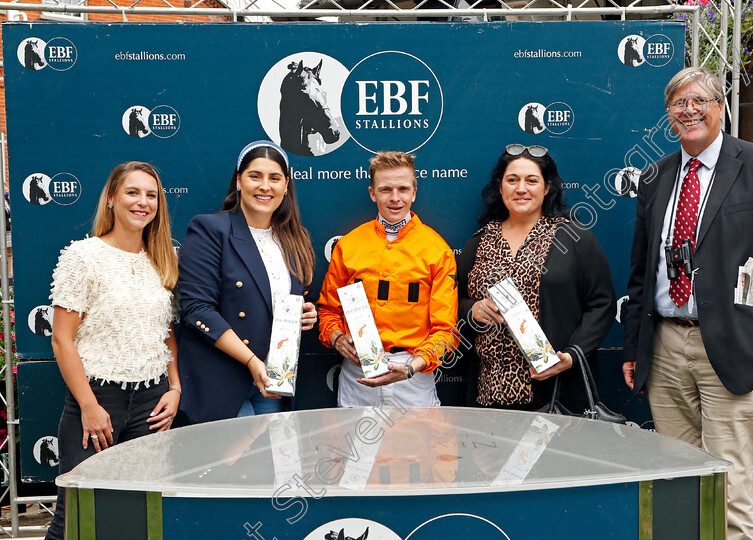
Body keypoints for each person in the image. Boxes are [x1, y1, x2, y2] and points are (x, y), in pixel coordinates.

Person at [622, 67, 753, 540]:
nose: (689, 111)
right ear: (668, 113)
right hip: (666, 350)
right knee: (675, 490)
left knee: (728, 497)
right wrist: (634, 347)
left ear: (721, 105)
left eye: (700, 101)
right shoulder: (656, 177)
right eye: (678, 104)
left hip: (735, 350)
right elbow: (641, 271)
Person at [46, 162, 180, 539]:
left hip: (152, 402)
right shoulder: (83, 257)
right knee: (75, 513)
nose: (143, 202)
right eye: (132, 192)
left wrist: (175, 388)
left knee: (139, 514)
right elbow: (62, 339)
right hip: (99, 398)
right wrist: (89, 407)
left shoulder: (163, 257)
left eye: (151, 195)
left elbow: (166, 332)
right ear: (111, 199)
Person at [458, 144, 616, 410]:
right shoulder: (479, 242)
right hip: (490, 394)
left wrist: (573, 355)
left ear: (547, 188)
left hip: (556, 391)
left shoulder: (574, 238)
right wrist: (472, 310)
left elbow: (602, 304)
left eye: (532, 180)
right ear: (500, 187)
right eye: (512, 180)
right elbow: (458, 300)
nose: (521, 189)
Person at [177, 140, 317, 424]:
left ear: (286, 186)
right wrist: (252, 361)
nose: (265, 186)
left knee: (267, 465)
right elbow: (197, 309)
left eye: (274, 178)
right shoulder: (210, 229)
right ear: (239, 181)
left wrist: (308, 314)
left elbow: (286, 302)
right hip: (222, 380)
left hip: (274, 381)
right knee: (233, 467)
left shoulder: (296, 239)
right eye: (255, 176)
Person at [318, 151, 457, 407]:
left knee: (419, 448)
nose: (395, 198)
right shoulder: (349, 245)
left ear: (414, 193)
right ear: (372, 193)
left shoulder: (438, 250)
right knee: (355, 447)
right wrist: (337, 338)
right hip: (358, 374)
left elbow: (445, 332)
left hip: (413, 375)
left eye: (403, 189)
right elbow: (328, 311)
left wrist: (411, 368)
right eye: (385, 189)